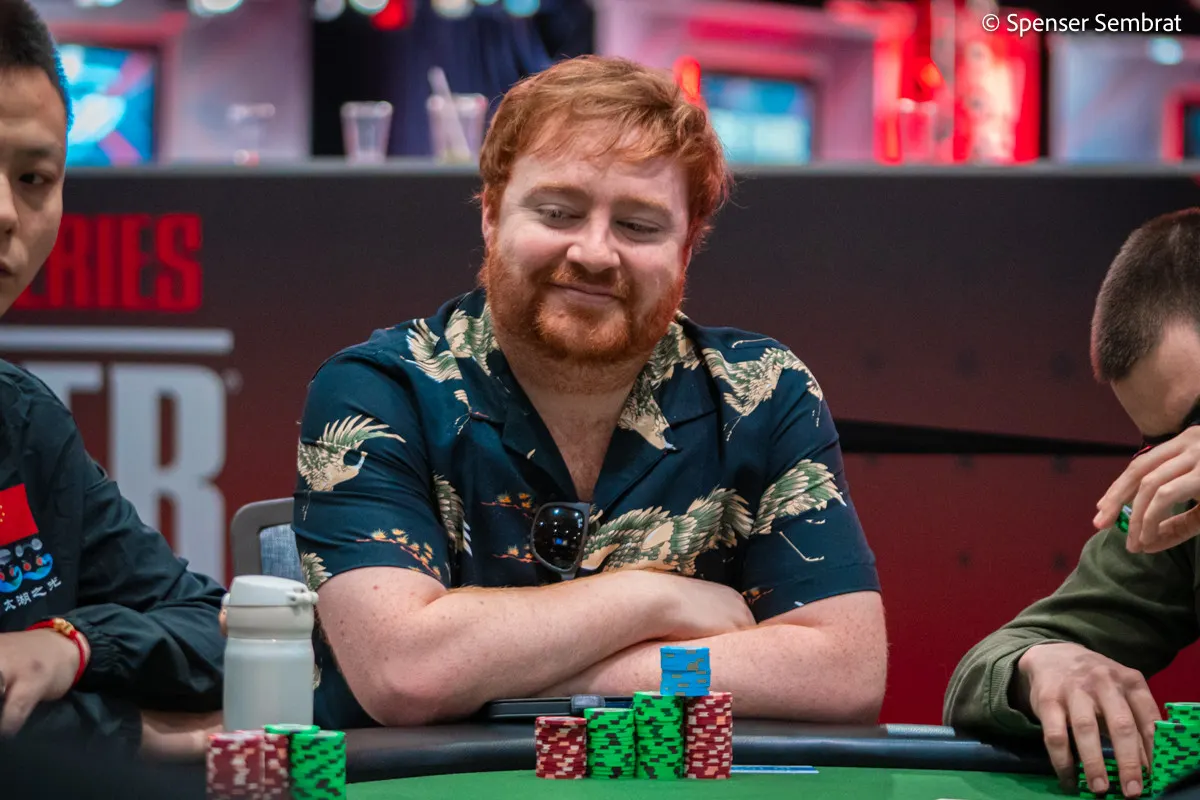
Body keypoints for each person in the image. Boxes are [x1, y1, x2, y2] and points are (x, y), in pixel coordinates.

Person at [293, 54, 887, 730]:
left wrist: (549, 678)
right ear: (491, 215)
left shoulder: (763, 391)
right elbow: (404, 673)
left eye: (638, 226)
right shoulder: (378, 389)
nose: (595, 253)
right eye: (558, 212)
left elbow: (844, 671)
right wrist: (654, 600)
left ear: (687, 247)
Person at [0, 0, 226, 758]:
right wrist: (141, 737)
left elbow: (209, 627)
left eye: (34, 177)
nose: (6, 212)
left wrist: (73, 644)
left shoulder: (23, 420)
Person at [944, 208, 1200, 799]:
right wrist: (1043, 663)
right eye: (1157, 442)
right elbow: (983, 671)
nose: (1177, 458)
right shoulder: (1179, 510)